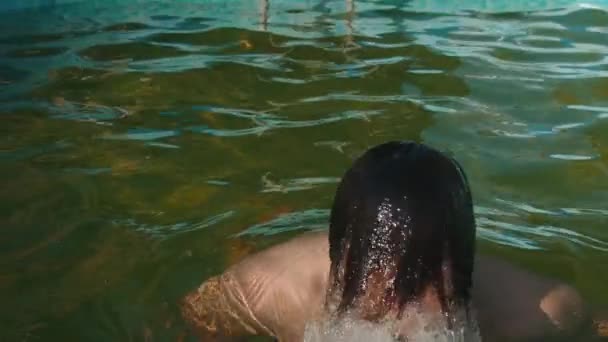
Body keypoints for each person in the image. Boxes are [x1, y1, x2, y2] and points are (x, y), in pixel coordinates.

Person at [180, 141, 595, 341]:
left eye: (422, 287)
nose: (405, 322)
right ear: (341, 268)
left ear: (459, 272)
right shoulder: (270, 292)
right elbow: (197, 317)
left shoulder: (537, 312)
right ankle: (264, 217)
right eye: (386, 298)